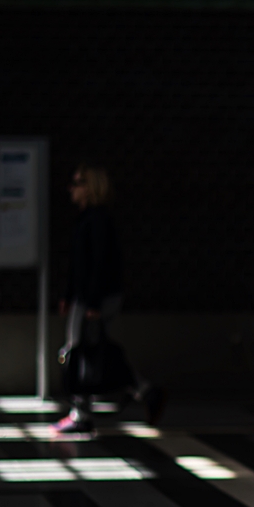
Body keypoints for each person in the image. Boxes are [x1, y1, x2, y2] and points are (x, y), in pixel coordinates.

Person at [52, 165, 165, 435]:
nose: (72, 188)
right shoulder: (87, 219)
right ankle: (144, 391)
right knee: (89, 350)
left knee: (79, 351)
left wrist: (91, 302)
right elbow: (78, 264)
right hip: (87, 296)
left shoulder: (98, 221)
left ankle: (81, 413)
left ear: (91, 188)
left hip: (95, 297)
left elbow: (99, 265)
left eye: (78, 183)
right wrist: (70, 295)